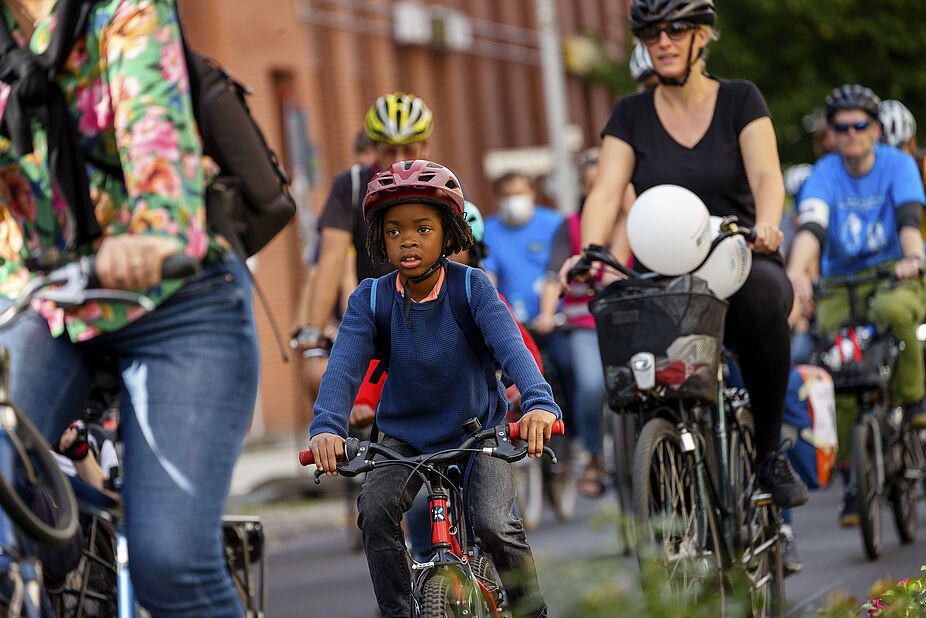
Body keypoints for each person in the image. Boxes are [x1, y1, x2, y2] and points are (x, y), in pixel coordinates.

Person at [0, 1, 259, 615]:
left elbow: (155, 125)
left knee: (168, 561)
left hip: (175, 293)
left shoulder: (123, 8)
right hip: (47, 302)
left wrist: (155, 228)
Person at [558, 0, 809, 509]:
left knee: (766, 299)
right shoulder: (630, 114)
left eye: (675, 30)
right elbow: (606, 192)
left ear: (702, 36)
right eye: (651, 35)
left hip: (739, 257)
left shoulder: (740, 99)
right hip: (665, 272)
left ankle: (767, 455)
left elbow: (766, 173)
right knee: (632, 328)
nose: (663, 42)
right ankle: (669, 455)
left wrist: (768, 222)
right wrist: (591, 249)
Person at [307, 160, 560, 618]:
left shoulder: (473, 287)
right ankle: (400, 612)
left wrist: (540, 404)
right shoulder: (369, 298)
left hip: (478, 433)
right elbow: (342, 370)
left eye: (423, 228)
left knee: (494, 524)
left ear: (449, 235)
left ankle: (531, 612)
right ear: (378, 239)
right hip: (401, 439)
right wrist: (326, 427)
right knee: (376, 510)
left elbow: (514, 351)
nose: (408, 239)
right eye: (395, 230)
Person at [787, 84, 926, 525]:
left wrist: (913, 258)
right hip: (840, 282)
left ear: (875, 128)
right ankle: (852, 476)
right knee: (832, 364)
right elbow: (812, 226)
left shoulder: (898, 164)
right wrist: (795, 273)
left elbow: (907, 219)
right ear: (831, 132)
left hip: (892, 274)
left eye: (859, 125)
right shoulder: (824, 173)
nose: (850, 133)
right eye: (841, 126)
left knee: (892, 313)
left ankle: (913, 401)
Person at [293, 92, 434, 403]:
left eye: (408, 149)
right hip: (374, 318)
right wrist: (314, 333)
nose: (398, 160)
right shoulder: (351, 185)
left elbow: (462, 259)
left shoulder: (441, 184)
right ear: (373, 149)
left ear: (425, 147)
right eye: (388, 151)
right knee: (318, 375)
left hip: (434, 318)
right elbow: (329, 261)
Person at [535, 151, 609, 497]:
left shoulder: (636, 221)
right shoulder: (573, 226)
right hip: (585, 323)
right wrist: (548, 313)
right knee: (591, 385)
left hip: (631, 317)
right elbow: (553, 275)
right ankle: (593, 454)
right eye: (590, 187)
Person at [483, 172, 563, 324]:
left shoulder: (554, 223)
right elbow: (488, 276)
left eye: (519, 193)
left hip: (558, 319)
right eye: (507, 195)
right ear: (498, 198)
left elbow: (558, 270)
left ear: (531, 193)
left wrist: (548, 314)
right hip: (514, 321)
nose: (513, 200)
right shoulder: (488, 231)